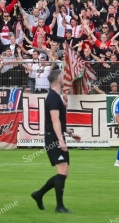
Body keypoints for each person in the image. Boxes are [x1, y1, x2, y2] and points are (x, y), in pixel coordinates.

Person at [31, 69, 81, 213]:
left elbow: (59, 121)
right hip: (53, 137)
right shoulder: (53, 97)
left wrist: (70, 133)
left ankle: (39, 194)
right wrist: (60, 140)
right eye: (62, 76)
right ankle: (59, 206)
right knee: (62, 170)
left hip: (56, 136)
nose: (64, 78)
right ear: (58, 79)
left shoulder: (56, 96)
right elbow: (54, 120)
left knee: (64, 173)